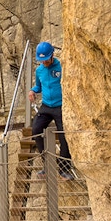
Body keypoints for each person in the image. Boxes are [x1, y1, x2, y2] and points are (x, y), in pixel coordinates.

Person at [29, 41, 73, 177]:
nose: (44, 62)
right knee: (36, 129)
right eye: (41, 60)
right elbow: (38, 86)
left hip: (60, 106)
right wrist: (32, 91)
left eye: (46, 59)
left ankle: (64, 169)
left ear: (52, 55)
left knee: (64, 135)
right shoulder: (39, 70)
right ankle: (48, 165)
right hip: (46, 106)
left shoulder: (61, 66)